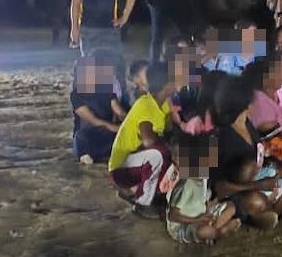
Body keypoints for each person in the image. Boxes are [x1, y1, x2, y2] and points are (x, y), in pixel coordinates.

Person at [212, 79, 282, 229]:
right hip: (239, 192)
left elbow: (259, 159)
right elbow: (220, 187)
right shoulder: (223, 137)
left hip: (258, 183)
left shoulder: (247, 124)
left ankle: (263, 212)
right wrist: (259, 185)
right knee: (255, 199)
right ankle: (256, 214)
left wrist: (273, 168)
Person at [108, 62, 176, 218]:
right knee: (159, 153)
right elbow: (148, 141)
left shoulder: (163, 103)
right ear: (167, 86)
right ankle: (142, 204)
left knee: (171, 152)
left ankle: (146, 192)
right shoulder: (145, 104)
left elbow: (170, 131)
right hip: (121, 169)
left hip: (138, 164)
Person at [165, 132, 241, 244]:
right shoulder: (185, 184)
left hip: (200, 214)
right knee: (202, 231)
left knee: (231, 206)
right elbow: (173, 216)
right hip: (184, 225)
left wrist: (210, 205)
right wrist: (197, 220)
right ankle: (218, 233)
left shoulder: (203, 176)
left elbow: (200, 200)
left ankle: (213, 232)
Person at [71, 52, 126, 164]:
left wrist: (130, 123)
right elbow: (94, 121)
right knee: (79, 137)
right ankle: (86, 155)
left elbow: (119, 111)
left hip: (108, 132)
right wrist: (119, 128)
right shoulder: (76, 95)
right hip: (90, 134)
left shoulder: (106, 88)